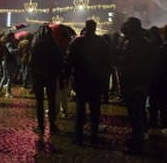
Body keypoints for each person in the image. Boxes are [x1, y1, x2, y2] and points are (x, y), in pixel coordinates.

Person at [65, 20, 111, 145]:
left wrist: (66, 76)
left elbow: (69, 61)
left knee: (80, 108)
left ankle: (78, 136)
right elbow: (107, 63)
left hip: (81, 79)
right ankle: (93, 135)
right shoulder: (102, 43)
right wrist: (104, 79)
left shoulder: (77, 41)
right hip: (95, 80)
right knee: (95, 109)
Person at [119, 17, 156, 155]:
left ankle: (137, 145)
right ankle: (136, 138)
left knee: (136, 115)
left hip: (134, 83)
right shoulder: (144, 42)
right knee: (138, 113)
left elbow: (124, 63)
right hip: (140, 83)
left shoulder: (133, 43)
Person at [29, 24, 63, 134]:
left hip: (38, 76)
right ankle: (52, 124)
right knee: (51, 99)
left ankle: (40, 125)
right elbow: (59, 59)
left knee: (39, 101)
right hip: (51, 75)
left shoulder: (35, 43)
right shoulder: (53, 44)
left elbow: (31, 61)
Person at [0, 32, 18, 98]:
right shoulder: (9, 43)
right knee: (10, 77)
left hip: (5, 61)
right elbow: (11, 51)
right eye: (13, 36)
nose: (14, 38)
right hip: (8, 62)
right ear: (10, 37)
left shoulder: (7, 43)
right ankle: (8, 92)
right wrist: (19, 49)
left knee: (5, 77)